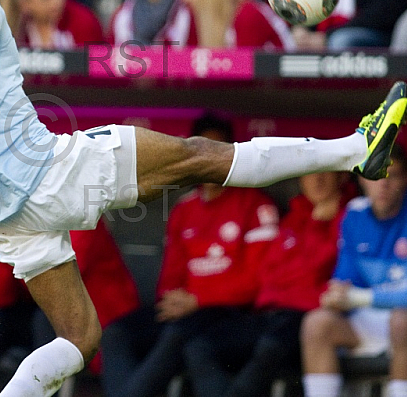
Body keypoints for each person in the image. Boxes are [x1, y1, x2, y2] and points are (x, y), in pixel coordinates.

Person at [0, 0, 407, 396]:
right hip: (43, 173)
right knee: (201, 156)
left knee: (80, 339)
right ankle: (355, 149)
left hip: (2, 210)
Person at [100, 113, 280, 397]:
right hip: (184, 310)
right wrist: (175, 298)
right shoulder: (184, 210)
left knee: (178, 335)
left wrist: (199, 300)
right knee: (116, 333)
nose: (208, 160)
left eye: (216, 151)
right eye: (200, 153)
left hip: (229, 313)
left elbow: (258, 282)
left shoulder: (255, 205)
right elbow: (170, 277)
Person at [182, 170, 357, 397]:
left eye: (325, 173)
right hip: (269, 314)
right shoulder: (294, 215)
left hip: (308, 318)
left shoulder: (350, 215)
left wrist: (316, 225)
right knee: (199, 346)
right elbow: (267, 274)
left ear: (341, 178)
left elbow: (316, 271)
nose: (317, 180)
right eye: (310, 173)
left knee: (269, 346)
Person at [300, 145, 407, 397]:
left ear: (406, 179)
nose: (383, 184)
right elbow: (346, 275)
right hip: (370, 312)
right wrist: (338, 294)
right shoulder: (354, 214)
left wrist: (362, 297)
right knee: (316, 323)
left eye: (393, 175)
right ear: (362, 179)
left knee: (401, 322)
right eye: (376, 175)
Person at [0, 219, 141, 397]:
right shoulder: (16, 219)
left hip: (100, 321)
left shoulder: (80, 213)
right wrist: (6, 239)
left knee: (46, 319)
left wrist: (18, 252)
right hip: (46, 312)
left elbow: (62, 280)